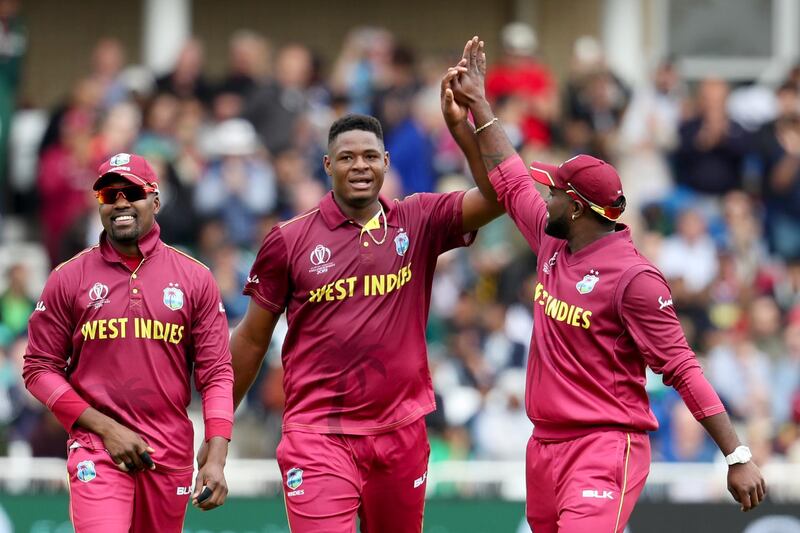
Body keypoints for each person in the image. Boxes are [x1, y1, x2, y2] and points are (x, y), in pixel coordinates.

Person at [447, 37, 765, 532]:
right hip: (544, 447)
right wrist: (479, 104)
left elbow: (681, 365)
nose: (543, 196)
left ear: (576, 208)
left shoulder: (635, 279)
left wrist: (737, 454)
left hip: (603, 446)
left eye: (553, 191)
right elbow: (510, 178)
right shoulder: (557, 241)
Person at [224, 73, 503, 529]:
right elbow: (253, 340)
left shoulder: (418, 220)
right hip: (318, 436)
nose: (360, 165)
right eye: (347, 157)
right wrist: (219, 428)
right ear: (327, 164)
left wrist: (463, 132)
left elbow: (497, 197)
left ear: (386, 163)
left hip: (400, 434)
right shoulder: (289, 240)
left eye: (371, 156)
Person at [23, 152, 234, 532]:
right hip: (96, 449)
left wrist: (217, 453)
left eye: (132, 193)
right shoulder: (68, 277)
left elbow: (217, 373)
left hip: (168, 452)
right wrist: (105, 429)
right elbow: (38, 368)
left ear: (155, 200)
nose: (121, 202)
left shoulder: (194, 278)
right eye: (109, 195)